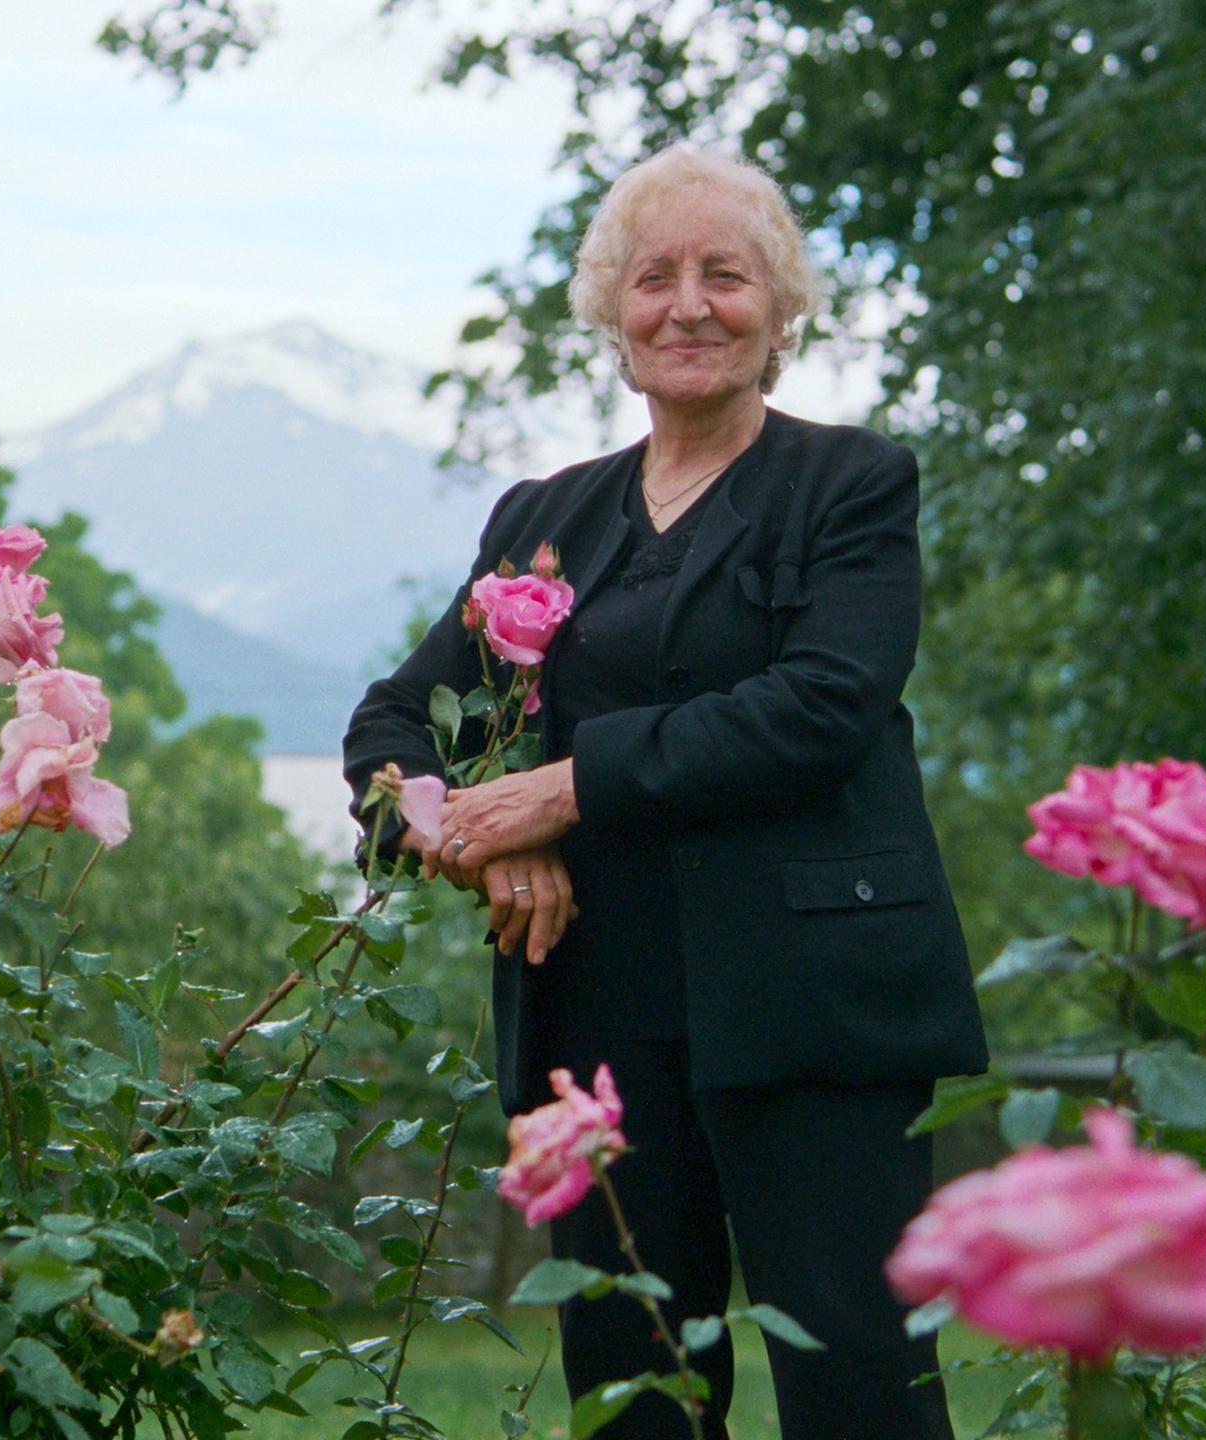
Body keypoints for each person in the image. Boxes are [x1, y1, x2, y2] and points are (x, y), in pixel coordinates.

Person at [344, 144, 986, 1440]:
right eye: (654, 278)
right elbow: (389, 726)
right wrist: (471, 839)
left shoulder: (851, 486)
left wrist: (561, 791)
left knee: (861, 1385)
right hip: (599, 1028)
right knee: (633, 1399)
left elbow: (819, 708)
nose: (688, 304)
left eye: (726, 275)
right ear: (613, 315)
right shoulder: (545, 517)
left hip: (818, 1015)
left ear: (783, 309)